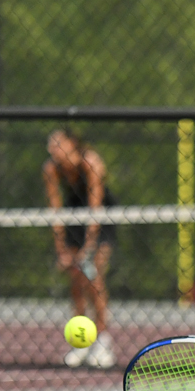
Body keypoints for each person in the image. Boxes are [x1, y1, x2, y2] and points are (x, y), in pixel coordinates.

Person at [43, 129, 117, 369]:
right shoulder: (51, 169)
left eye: (58, 143)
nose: (52, 149)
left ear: (72, 143)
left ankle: (103, 341)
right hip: (74, 215)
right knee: (76, 281)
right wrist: (62, 249)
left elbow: (95, 207)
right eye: (50, 145)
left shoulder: (90, 163)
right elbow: (55, 211)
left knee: (94, 278)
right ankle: (82, 342)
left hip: (101, 217)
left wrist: (89, 247)